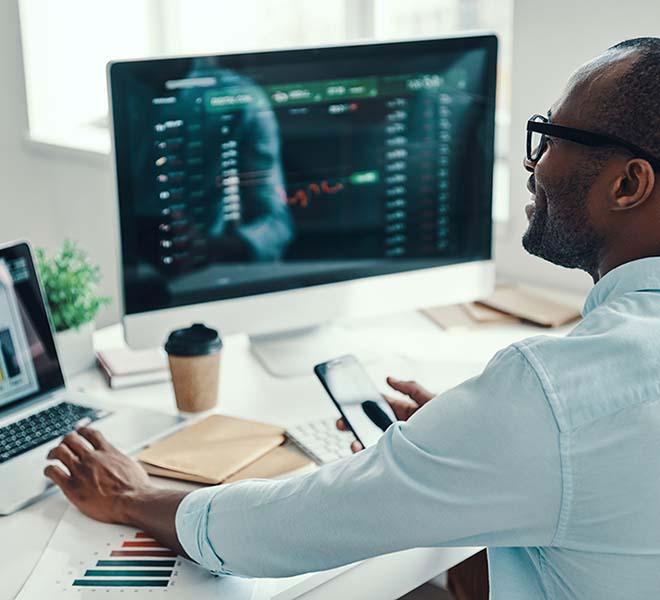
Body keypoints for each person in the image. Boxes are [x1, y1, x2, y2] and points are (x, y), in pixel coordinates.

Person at [45, 38, 660, 599]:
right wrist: (473, 444)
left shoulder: (549, 396)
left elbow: (285, 528)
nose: (535, 163)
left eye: (550, 137)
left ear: (628, 183)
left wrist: (136, 495)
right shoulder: (561, 401)